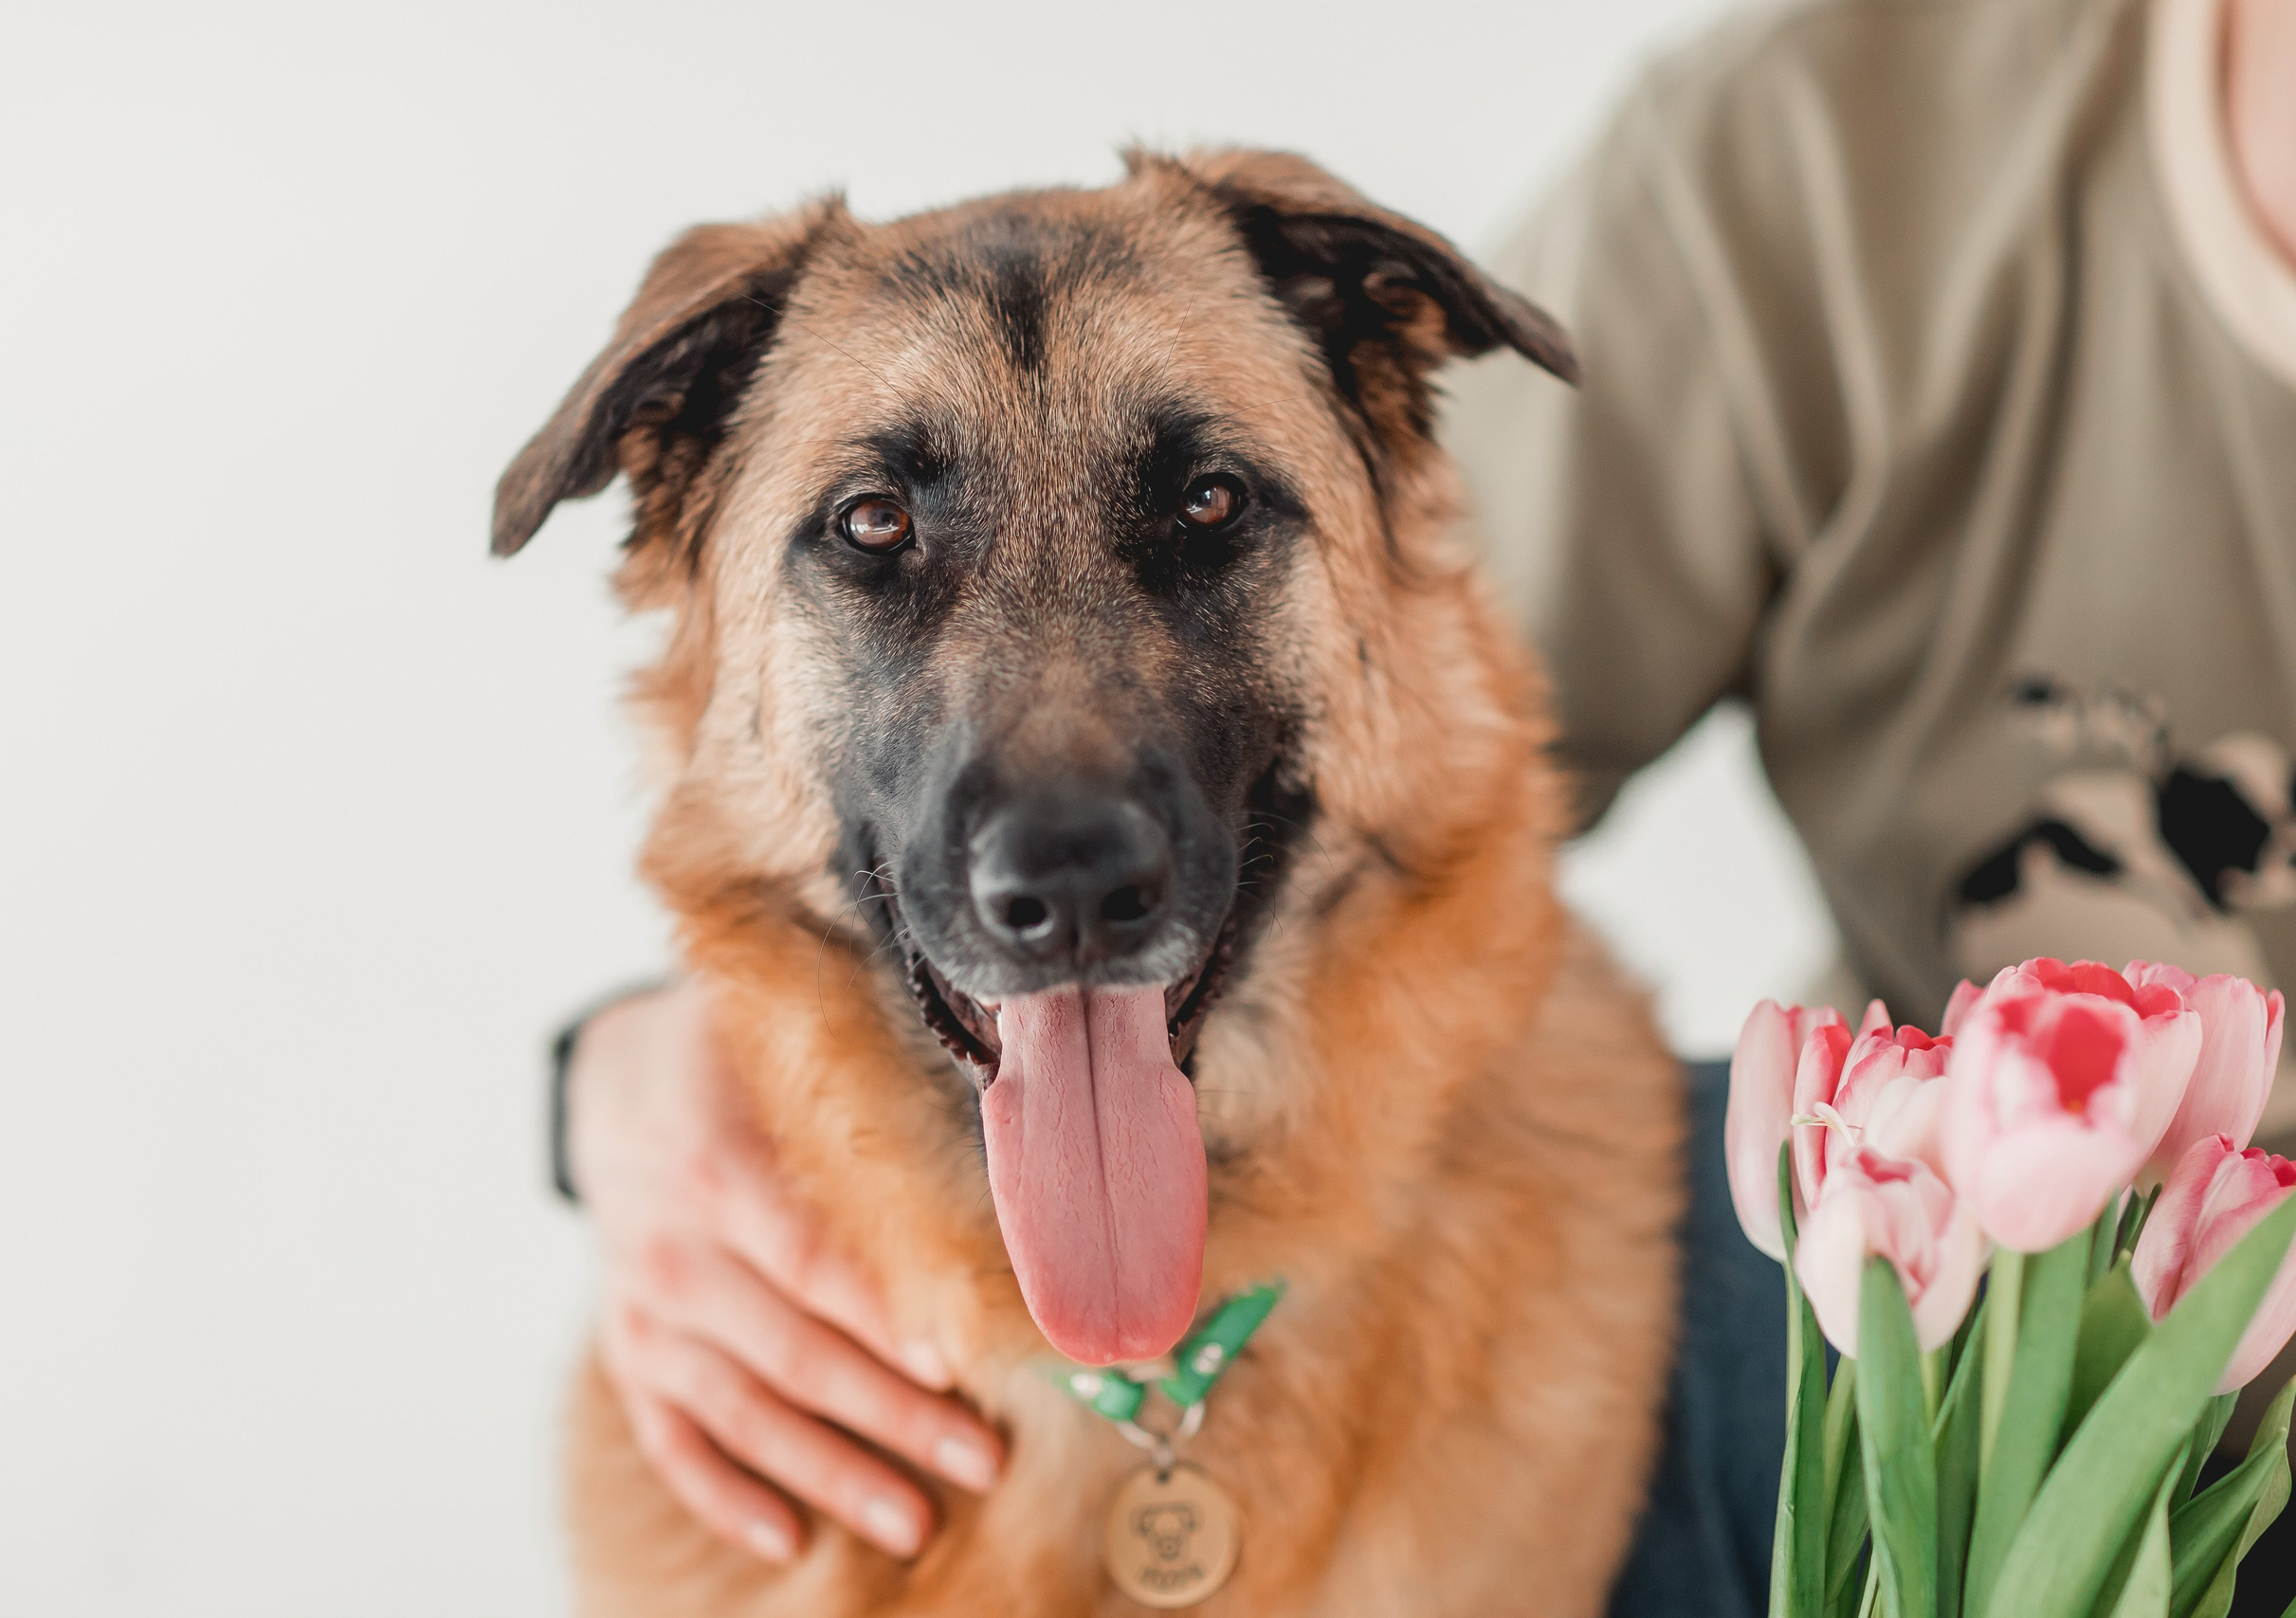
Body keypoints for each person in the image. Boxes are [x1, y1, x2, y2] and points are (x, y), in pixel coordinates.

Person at [551, 0, 2296, 1608]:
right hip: (1944, 1376)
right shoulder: (1850, 153)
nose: (1065, 833)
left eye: (1207, 511)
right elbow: (1461, 704)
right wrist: (616, 1074)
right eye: (877, 535)